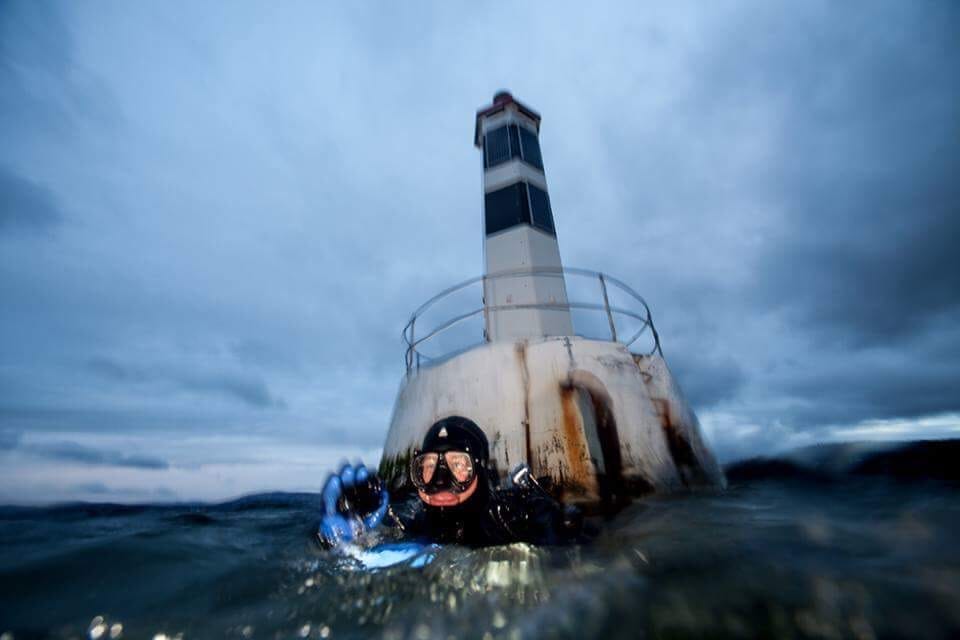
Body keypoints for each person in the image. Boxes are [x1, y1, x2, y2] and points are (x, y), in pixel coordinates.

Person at [317, 416, 586, 548]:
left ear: (479, 471)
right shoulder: (409, 521)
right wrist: (349, 535)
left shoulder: (508, 518)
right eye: (428, 467)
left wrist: (556, 525)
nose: (440, 481)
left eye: (459, 465)